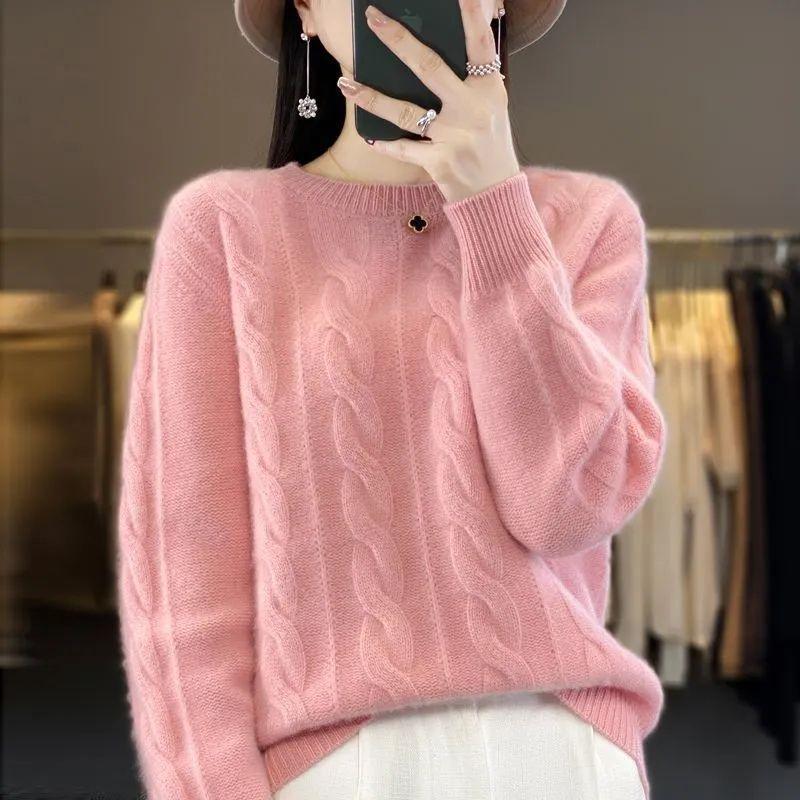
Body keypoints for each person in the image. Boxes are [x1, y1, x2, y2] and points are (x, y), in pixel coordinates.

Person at [115, 1, 668, 798]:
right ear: (307, 10)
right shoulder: (223, 231)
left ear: (495, 6)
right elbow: (185, 591)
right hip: (333, 767)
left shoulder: (588, 224)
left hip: (563, 749)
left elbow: (564, 509)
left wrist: (493, 204)